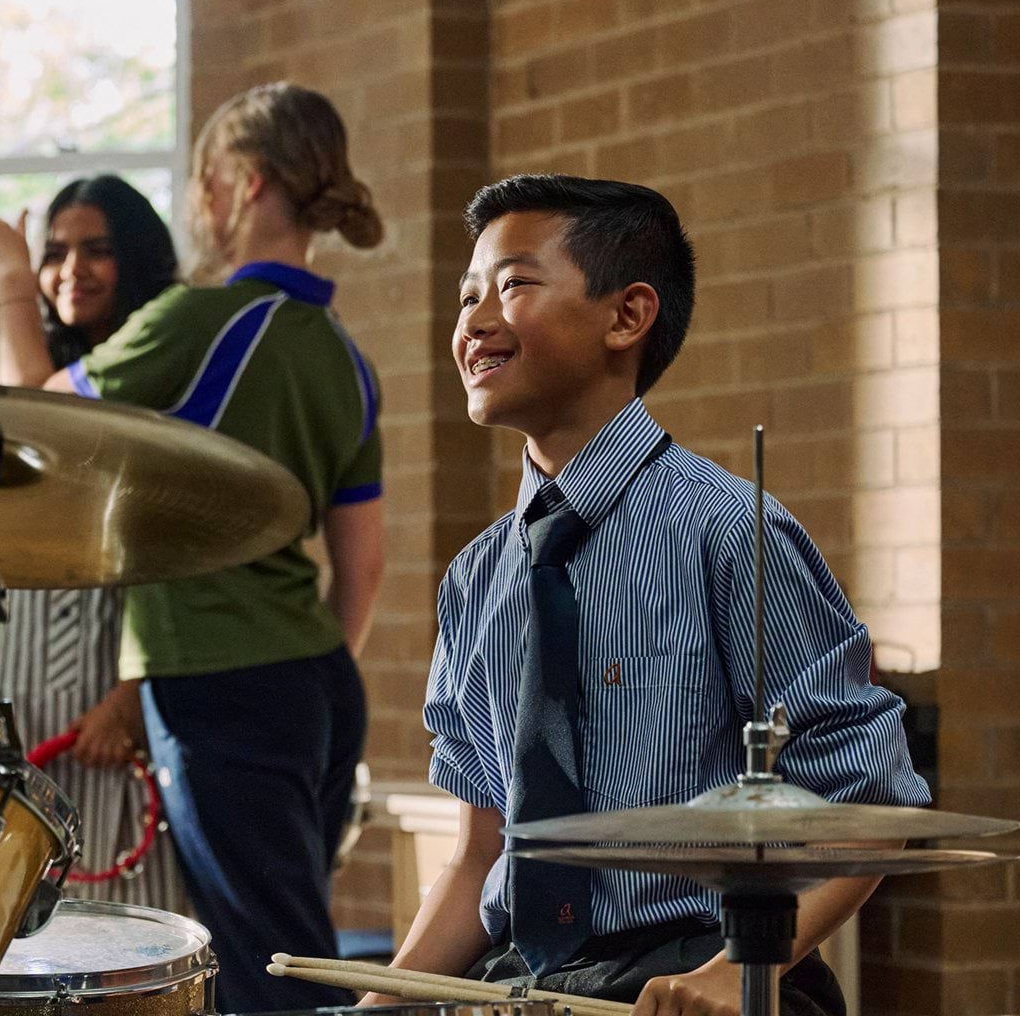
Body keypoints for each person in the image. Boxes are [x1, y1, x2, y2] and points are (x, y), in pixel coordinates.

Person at [395, 175, 929, 1016]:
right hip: (525, 981)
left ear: (627, 316)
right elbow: (476, 859)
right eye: (467, 297)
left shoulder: (730, 530)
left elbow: (871, 807)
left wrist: (734, 972)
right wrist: (380, 1003)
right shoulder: (473, 580)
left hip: (710, 968)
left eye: (514, 284)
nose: (474, 320)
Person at [0, 83, 388, 1011]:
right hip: (318, 683)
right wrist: (307, 679)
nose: (195, 206)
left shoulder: (202, 321)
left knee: (267, 970)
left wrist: (11, 278)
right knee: (290, 942)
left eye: (201, 183)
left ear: (242, 183)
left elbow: (40, 410)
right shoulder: (344, 354)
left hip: (221, 677)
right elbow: (364, 563)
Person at [0, 174, 189, 913]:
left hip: (115, 703)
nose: (70, 269)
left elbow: (182, 549)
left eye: (98, 250)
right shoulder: (37, 374)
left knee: (130, 939)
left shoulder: (158, 372)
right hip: (27, 694)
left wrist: (131, 698)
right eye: (54, 251)